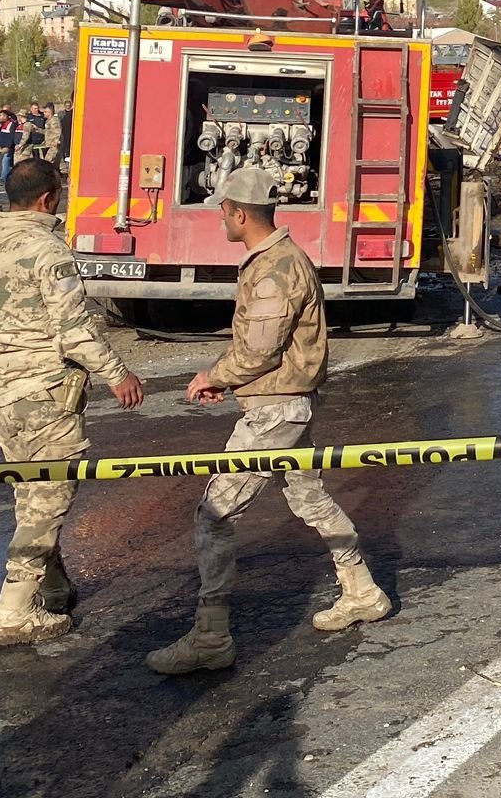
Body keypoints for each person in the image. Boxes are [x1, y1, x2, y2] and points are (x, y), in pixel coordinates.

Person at [147, 168, 391, 674]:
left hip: (277, 409)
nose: (220, 219)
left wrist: (214, 374)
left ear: (238, 213)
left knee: (214, 514)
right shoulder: (276, 260)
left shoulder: (275, 268)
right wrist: (232, 381)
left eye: (222, 211)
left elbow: (259, 347)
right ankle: (362, 590)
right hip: (286, 403)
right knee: (308, 495)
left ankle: (211, 636)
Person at [0, 157, 145, 645]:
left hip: (1, 390)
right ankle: (12, 612)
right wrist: (118, 373)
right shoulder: (48, 252)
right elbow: (73, 331)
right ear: (49, 198)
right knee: (48, 499)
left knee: (29, 492)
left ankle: (53, 587)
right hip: (46, 392)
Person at [41, 101, 66, 170]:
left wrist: (56, 141)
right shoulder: (48, 121)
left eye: (45, 111)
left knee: (47, 163)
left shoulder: (54, 120)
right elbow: (47, 132)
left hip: (54, 146)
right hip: (49, 144)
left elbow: (58, 131)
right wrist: (36, 129)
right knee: (60, 164)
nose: (44, 113)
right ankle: (64, 177)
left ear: (50, 112)